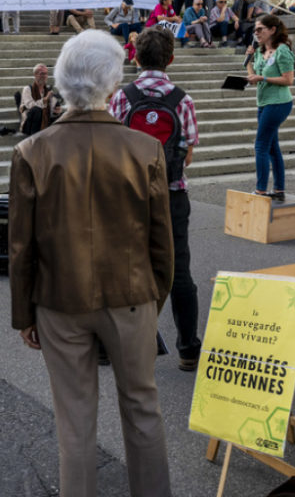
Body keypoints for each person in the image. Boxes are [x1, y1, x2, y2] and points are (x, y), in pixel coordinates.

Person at [9, 29, 172, 497]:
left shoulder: (32, 150)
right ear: (114, 84)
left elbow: (21, 246)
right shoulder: (145, 148)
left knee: (75, 419)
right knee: (142, 406)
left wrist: (25, 313)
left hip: (60, 299)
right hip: (133, 295)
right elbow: (162, 242)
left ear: (60, 82)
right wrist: (154, 298)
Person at [109, 26, 202, 371]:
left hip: (129, 196)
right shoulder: (183, 99)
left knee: (130, 268)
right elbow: (187, 153)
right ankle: (188, 348)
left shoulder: (122, 98)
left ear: (134, 57)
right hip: (172, 194)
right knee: (179, 272)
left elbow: (112, 149)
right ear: (171, 59)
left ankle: (132, 344)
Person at [246, 14, 295, 201]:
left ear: (272, 30)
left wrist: (263, 78)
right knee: (272, 146)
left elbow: (288, 80)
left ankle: (260, 190)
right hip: (264, 102)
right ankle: (279, 190)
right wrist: (249, 61)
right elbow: (254, 80)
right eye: (255, 30)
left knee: (261, 145)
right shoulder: (259, 52)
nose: (256, 33)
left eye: (260, 29)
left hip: (279, 103)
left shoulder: (282, 51)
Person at [18, 63, 61, 136]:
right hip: (29, 125)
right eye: (41, 74)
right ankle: (34, 139)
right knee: (37, 110)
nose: (44, 76)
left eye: (46, 74)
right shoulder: (27, 89)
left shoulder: (48, 91)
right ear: (35, 75)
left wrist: (57, 111)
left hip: (45, 123)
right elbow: (30, 106)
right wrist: (45, 99)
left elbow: (51, 112)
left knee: (65, 116)